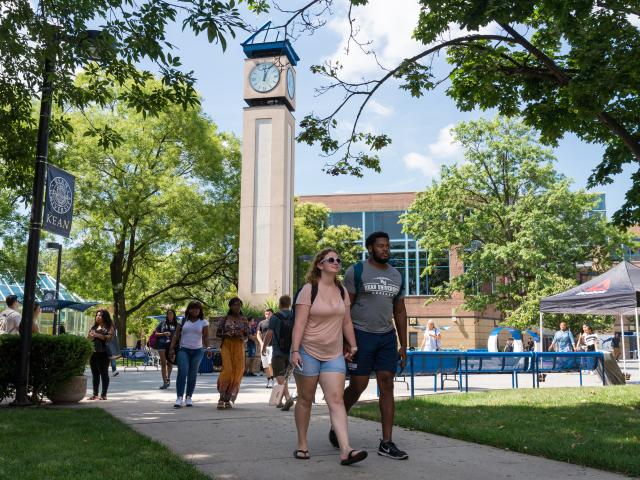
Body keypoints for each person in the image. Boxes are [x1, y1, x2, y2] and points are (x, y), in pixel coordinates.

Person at [291, 248, 367, 465]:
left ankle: (346, 449)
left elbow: (346, 321)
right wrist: (295, 350)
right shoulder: (309, 290)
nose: (336, 262)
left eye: (338, 260)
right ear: (320, 265)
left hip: (333, 354)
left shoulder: (342, 291)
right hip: (308, 351)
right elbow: (299, 323)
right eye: (330, 260)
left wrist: (352, 345)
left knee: (336, 400)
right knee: (306, 399)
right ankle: (302, 444)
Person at [338, 231, 409, 460]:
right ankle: (337, 423)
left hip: (386, 336)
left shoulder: (397, 275)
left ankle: (386, 442)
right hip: (360, 335)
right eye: (380, 246)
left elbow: (399, 311)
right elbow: (344, 309)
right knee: (358, 385)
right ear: (370, 248)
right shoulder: (356, 271)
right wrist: (344, 342)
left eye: (387, 246)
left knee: (387, 385)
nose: (385, 249)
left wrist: (404, 346)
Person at [168, 301, 211, 408]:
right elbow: (176, 335)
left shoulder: (203, 322)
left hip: (198, 351)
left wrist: (208, 348)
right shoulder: (182, 320)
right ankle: (179, 397)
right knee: (182, 372)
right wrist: (171, 348)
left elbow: (205, 337)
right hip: (183, 350)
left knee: (192, 374)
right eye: (192, 308)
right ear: (189, 309)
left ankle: (189, 397)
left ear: (200, 310)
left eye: (197, 308)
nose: (195, 310)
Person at [216, 297, 249, 409]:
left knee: (238, 371)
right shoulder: (224, 319)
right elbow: (218, 333)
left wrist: (242, 336)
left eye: (239, 305)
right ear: (230, 306)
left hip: (239, 346)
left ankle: (228, 398)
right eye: (234, 305)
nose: (237, 307)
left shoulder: (244, 319)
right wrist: (226, 335)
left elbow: (247, 335)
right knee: (228, 370)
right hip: (227, 345)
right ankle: (221, 396)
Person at [263, 295, 294, 411]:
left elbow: (269, 333)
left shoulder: (275, 317)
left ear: (280, 304)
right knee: (284, 377)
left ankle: (287, 397)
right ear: (289, 303)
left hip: (278, 351)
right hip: (292, 351)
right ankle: (279, 401)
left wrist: (264, 346)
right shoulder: (294, 316)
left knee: (279, 376)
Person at [87, 309, 115, 400]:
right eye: (97, 315)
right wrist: (90, 336)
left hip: (104, 353)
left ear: (104, 317)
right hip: (94, 353)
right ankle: (95, 394)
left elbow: (109, 338)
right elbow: (89, 339)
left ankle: (104, 395)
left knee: (104, 374)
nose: (97, 317)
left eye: (100, 315)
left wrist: (97, 335)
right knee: (95, 375)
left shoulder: (109, 327)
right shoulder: (94, 327)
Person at [156, 309, 178, 389]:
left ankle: (168, 378)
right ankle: (165, 382)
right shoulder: (162, 323)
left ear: (174, 315)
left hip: (172, 346)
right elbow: (156, 334)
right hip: (161, 345)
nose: (170, 316)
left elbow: (180, 335)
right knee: (163, 363)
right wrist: (163, 334)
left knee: (170, 363)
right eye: (168, 314)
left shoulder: (177, 324)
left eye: (171, 314)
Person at [257, 309, 274, 388]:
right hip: (264, 347)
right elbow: (258, 334)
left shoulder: (275, 322)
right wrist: (261, 343)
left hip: (272, 346)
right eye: (266, 314)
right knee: (265, 364)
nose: (267, 315)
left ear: (272, 314)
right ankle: (269, 380)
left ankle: (273, 379)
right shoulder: (261, 323)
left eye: (269, 314)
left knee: (270, 362)